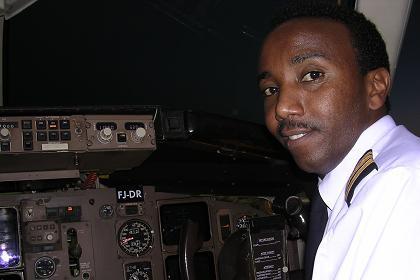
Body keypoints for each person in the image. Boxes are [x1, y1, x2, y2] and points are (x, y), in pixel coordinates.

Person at [258, 1, 420, 279]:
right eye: (271, 89)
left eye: (312, 75)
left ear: (375, 87)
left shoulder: (405, 186)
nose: (282, 107)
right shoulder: (358, 184)